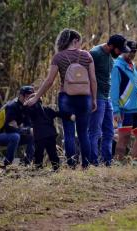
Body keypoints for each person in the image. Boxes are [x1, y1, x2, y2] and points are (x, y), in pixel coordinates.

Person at [25, 28, 97, 169]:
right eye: (79, 42)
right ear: (75, 40)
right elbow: (93, 80)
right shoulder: (87, 56)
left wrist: (36, 97)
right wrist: (94, 99)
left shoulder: (58, 57)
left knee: (69, 133)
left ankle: (71, 165)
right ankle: (86, 165)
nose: (80, 45)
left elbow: (49, 81)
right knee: (83, 133)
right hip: (84, 98)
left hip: (66, 97)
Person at [89, 34, 130, 166]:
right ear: (111, 46)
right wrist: (91, 97)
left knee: (109, 132)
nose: (120, 53)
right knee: (95, 132)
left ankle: (106, 162)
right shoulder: (95, 54)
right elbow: (86, 75)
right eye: (119, 50)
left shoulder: (112, 57)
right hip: (97, 98)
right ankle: (93, 162)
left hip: (107, 99)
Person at [111, 40, 137, 166]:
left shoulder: (133, 65)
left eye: (135, 52)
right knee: (123, 139)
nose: (132, 55)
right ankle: (117, 166)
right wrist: (115, 110)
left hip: (136, 109)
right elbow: (113, 90)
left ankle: (134, 166)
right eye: (130, 52)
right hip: (123, 110)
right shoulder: (117, 67)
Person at [0, 86, 35, 168]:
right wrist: (26, 130)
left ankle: (27, 163)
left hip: (7, 136)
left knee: (32, 135)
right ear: (21, 96)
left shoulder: (26, 107)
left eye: (30, 97)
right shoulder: (12, 106)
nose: (28, 99)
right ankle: (7, 164)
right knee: (15, 136)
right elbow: (9, 129)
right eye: (26, 96)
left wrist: (28, 130)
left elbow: (28, 125)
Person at [27, 100, 75, 171]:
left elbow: (23, 114)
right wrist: (69, 115)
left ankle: (38, 168)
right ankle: (56, 168)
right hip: (50, 134)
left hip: (40, 136)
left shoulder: (32, 111)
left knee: (38, 154)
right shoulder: (47, 109)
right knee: (52, 153)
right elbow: (59, 113)